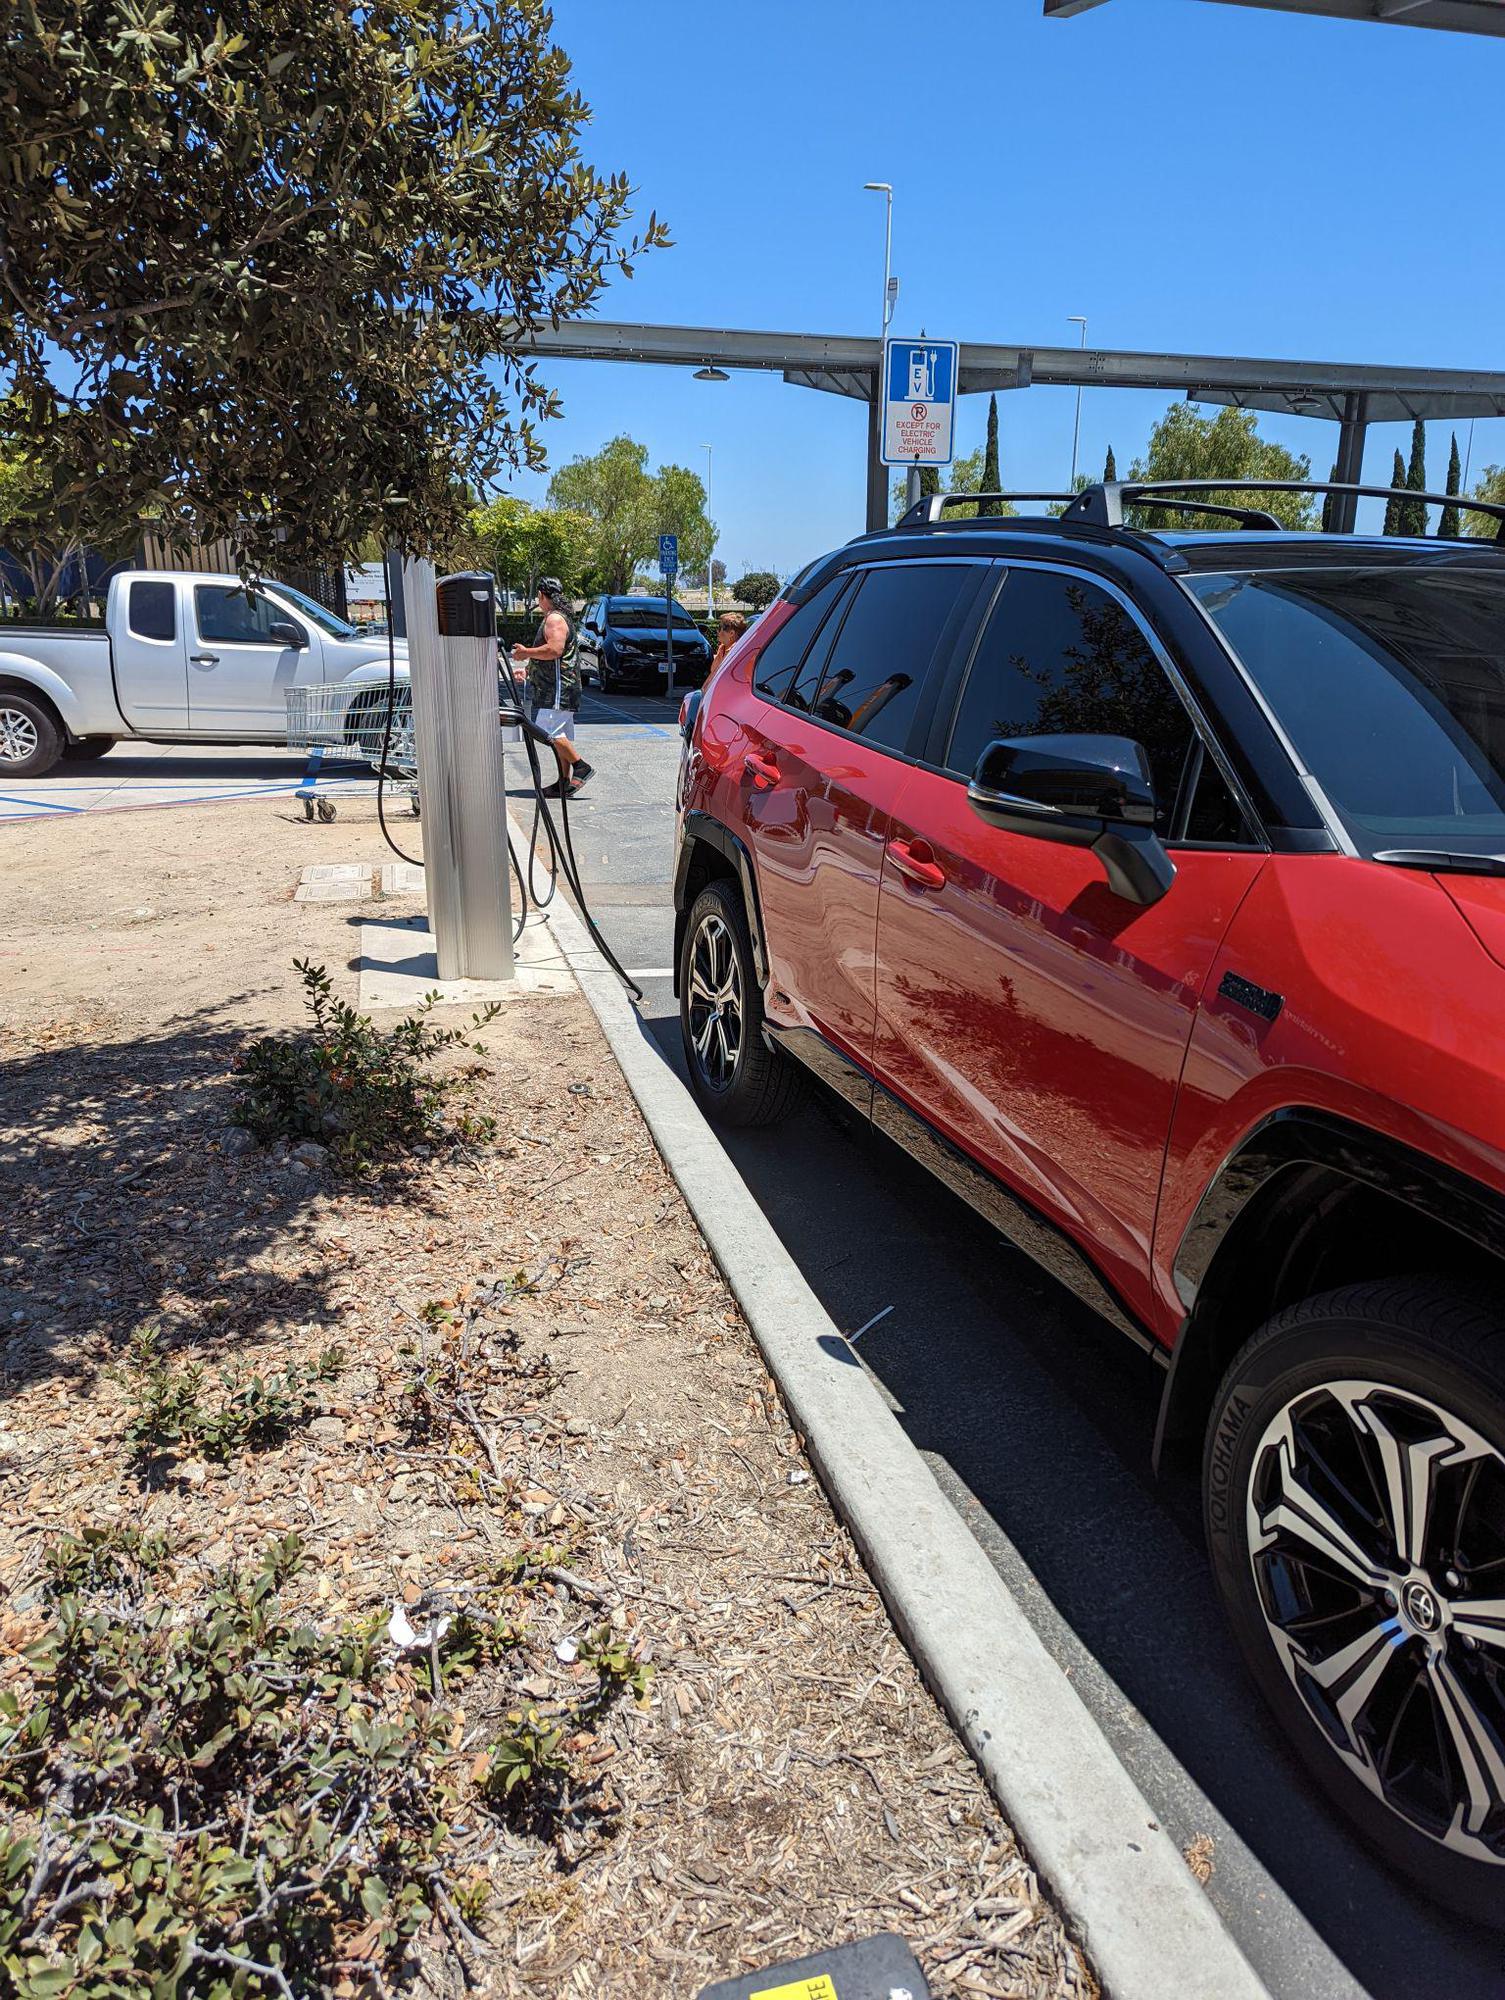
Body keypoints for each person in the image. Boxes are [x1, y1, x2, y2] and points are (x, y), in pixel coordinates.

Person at [510, 578, 593, 798]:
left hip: (558, 689)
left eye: (538, 597)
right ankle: (563, 782)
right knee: (560, 735)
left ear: (542, 595)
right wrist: (528, 670)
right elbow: (552, 655)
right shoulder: (557, 617)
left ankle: (581, 766)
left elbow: (555, 650)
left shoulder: (554, 619)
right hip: (562, 687)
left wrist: (526, 651)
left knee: (548, 732)